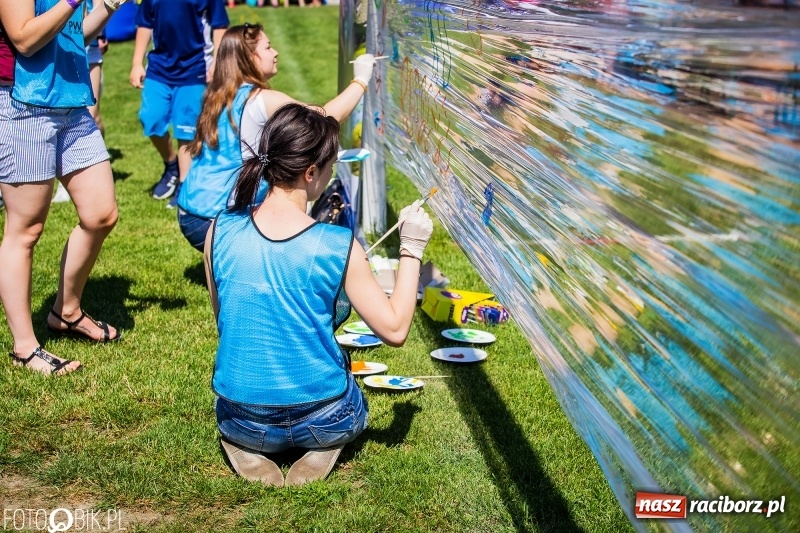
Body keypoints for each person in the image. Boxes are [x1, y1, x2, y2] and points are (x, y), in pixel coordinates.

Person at [204, 103, 433, 487]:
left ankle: (247, 444)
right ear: (311, 173)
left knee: (246, 418)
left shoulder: (218, 229)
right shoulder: (337, 244)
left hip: (241, 417)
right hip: (324, 418)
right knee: (347, 401)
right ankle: (322, 443)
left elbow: (224, 320)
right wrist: (411, 248)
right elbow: (394, 330)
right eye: (329, 168)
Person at [0, 0, 127, 376]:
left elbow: (73, 36)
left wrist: (107, 6)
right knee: (26, 230)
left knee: (101, 213)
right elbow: (24, 40)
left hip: (70, 103)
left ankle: (66, 312)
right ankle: (25, 347)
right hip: (23, 103)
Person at [177, 23, 375, 251]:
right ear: (249, 58)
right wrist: (361, 80)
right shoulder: (260, 99)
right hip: (215, 220)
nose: (275, 52)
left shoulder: (217, 93)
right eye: (268, 47)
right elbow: (322, 117)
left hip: (189, 211)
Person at [129, 0, 228, 207]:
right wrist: (137, 63)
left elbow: (219, 25)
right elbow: (145, 23)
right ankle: (171, 165)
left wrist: (217, 62)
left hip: (194, 69)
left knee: (186, 130)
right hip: (158, 68)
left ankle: (184, 185)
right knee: (151, 120)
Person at [52, 0, 108, 204]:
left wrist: (102, 34)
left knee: (92, 116)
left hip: (89, 52)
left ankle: (95, 158)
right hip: (61, 50)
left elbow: (98, 6)